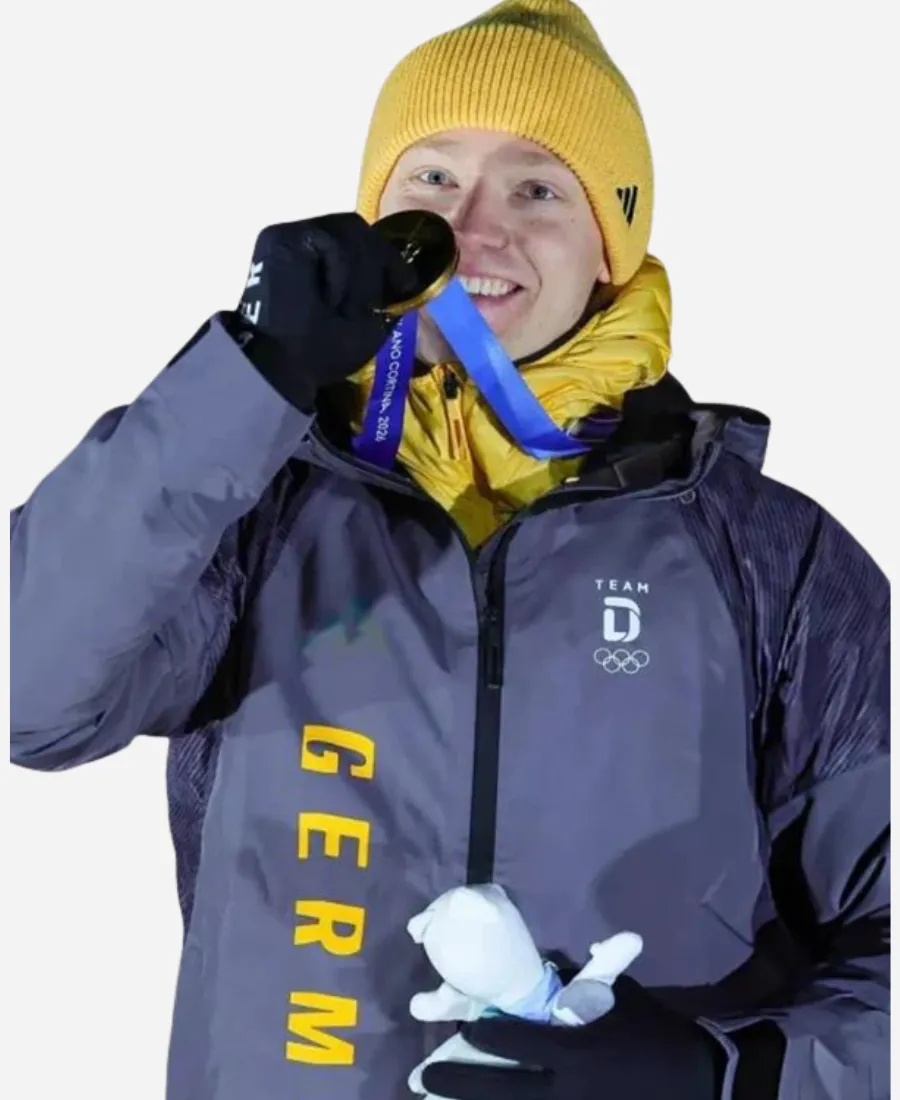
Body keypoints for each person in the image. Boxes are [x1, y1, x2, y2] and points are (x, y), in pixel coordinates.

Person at [9, 1, 889, 1098]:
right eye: (432, 178)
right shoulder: (251, 503)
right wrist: (245, 376)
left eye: (538, 189)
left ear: (612, 249)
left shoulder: (772, 560)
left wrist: (726, 1075)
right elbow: (30, 691)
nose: (474, 229)